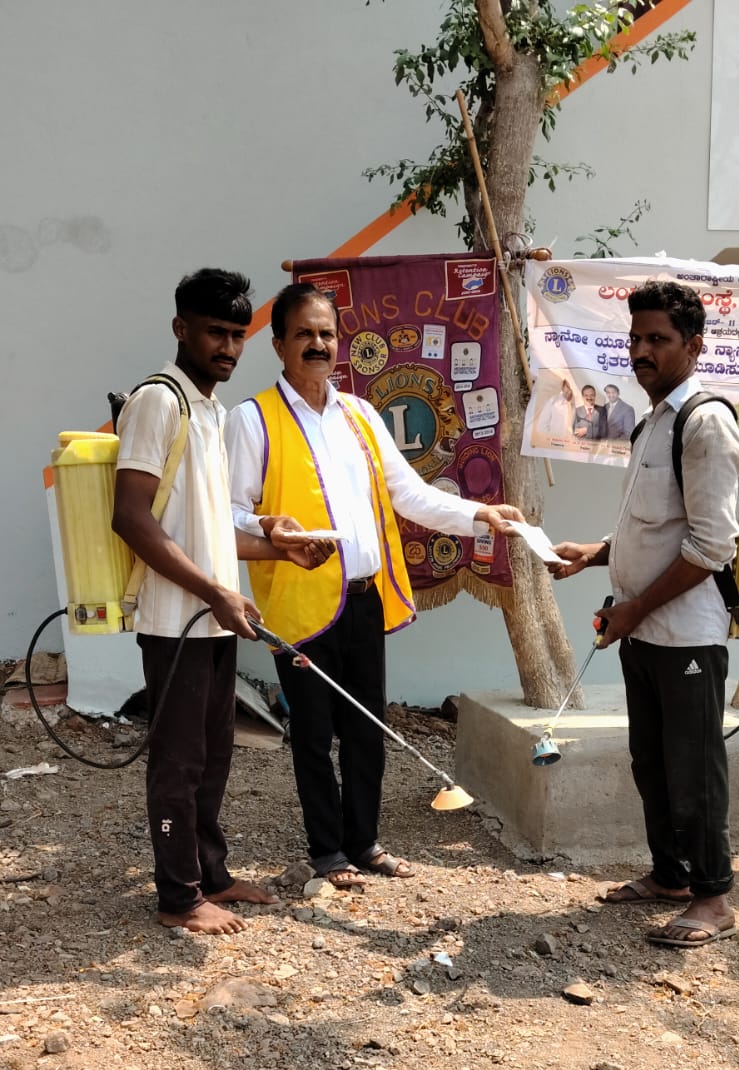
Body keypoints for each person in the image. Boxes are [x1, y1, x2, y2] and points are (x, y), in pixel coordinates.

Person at [225, 280, 522, 891]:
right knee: (312, 734)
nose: (317, 344)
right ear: (278, 343)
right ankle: (326, 851)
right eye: (303, 333)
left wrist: (478, 515)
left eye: (327, 333)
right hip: (300, 606)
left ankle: (363, 843)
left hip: (363, 599)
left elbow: (408, 493)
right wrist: (267, 525)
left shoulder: (360, 415)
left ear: (340, 342)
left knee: (368, 728)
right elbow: (225, 512)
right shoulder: (251, 420)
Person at [112, 268, 331, 935]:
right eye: (215, 332)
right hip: (175, 619)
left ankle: (210, 872)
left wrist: (276, 550)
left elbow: (207, 530)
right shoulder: (161, 400)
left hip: (211, 615)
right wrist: (215, 592)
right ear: (181, 328)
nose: (228, 346)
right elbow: (132, 517)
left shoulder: (210, 410)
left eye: (238, 334)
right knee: (177, 759)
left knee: (212, 753)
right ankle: (177, 897)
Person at [552, 279, 739, 947]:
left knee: (692, 767)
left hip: (684, 631)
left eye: (656, 339)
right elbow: (649, 529)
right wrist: (594, 554)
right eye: (634, 338)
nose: (641, 350)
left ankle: (713, 898)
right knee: (651, 762)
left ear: (692, 346)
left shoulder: (705, 422)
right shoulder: (650, 420)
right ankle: (668, 875)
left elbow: (711, 546)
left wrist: (633, 609)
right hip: (642, 629)